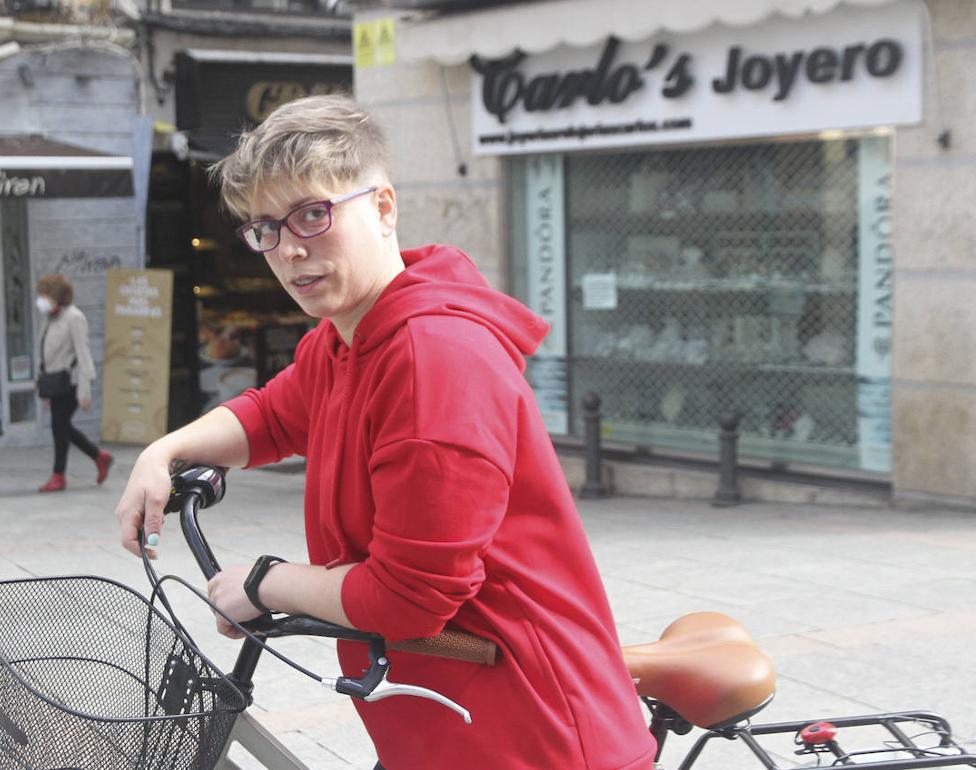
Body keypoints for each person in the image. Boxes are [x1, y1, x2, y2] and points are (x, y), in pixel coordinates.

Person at [114, 96, 655, 770]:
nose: (289, 249)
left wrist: (265, 582)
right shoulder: (347, 337)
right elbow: (272, 415)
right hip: (442, 718)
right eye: (265, 229)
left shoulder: (434, 361)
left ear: (383, 208)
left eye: (313, 213)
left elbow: (408, 600)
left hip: (525, 732)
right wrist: (163, 452)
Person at [35, 273, 113, 493]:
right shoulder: (49, 318)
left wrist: (85, 391)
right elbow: (44, 353)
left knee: (59, 427)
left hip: (71, 382)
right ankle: (99, 457)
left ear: (56, 295)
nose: (40, 299)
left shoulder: (74, 317)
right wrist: (41, 383)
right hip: (54, 382)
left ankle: (58, 476)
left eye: (44, 294)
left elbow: (83, 354)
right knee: (62, 427)